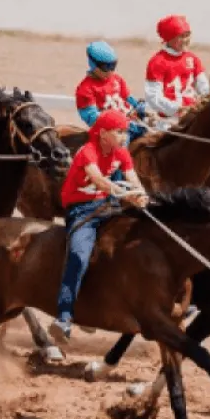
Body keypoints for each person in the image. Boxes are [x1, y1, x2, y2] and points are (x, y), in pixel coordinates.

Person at [50, 108, 148, 345]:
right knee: (78, 255)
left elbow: (132, 177)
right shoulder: (87, 151)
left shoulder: (121, 153)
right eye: (119, 131)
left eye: (125, 131)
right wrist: (121, 192)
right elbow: (99, 180)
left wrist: (141, 194)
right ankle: (63, 316)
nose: (124, 136)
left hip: (108, 206)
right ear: (103, 133)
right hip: (81, 210)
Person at [144, 14, 210, 126]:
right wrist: (177, 109)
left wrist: (205, 101)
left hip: (192, 115)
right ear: (169, 38)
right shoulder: (157, 62)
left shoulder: (192, 58)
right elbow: (153, 97)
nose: (185, 40)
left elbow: (204, 87)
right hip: (167, 120)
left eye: (187, 35)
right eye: (181, 36)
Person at [75, 41, 146, 139]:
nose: (110, 71)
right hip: (111, 131)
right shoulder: (85, 89)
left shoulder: (117, 79)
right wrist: (122, 121)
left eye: (113, 66)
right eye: (106, 67)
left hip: (131, 122)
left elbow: (127, 98)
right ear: (93, 64)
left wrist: (139, 106)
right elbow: (93, 119)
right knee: (122, 144)